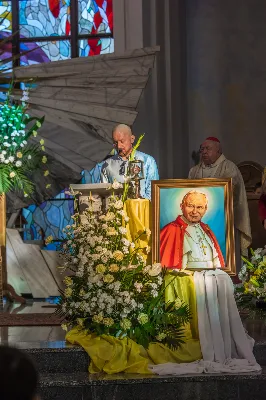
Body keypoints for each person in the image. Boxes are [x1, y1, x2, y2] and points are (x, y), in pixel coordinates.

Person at [188, 137, 251, 255]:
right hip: (198, 220)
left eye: (208, 148)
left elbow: (231, 192)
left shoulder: (229, 167)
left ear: (218, 151)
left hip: (224, 219)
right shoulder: (194, 171)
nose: (204, 152)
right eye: (202, 149)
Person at [160, 191, 225, 269]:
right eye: (190, 206)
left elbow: (216, 259)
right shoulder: (171, 229)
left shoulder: (206, 229)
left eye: (199, 207)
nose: (194, 212)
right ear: (181, 206)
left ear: (205, 209)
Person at [100, 124, 159, 200]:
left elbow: (153, 194)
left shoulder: (147, 161)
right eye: (115, 143)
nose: (119, 146)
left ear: (132, 139)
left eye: (122, 141)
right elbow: (105, 195)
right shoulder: (107, 165)